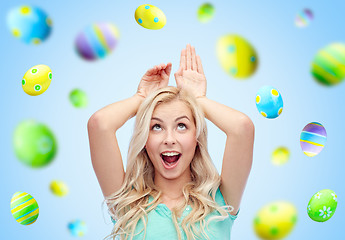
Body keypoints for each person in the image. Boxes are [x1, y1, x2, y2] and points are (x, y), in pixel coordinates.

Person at [87, 44, 254, 240]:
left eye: (181, 126)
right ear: (145, 140)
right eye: (156, 127)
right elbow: (100, 124)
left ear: (196, 137)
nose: (169, 139)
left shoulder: (220, 201)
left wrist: (197, 99)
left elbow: (242, 128)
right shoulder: (127, 204)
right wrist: (141, 98)